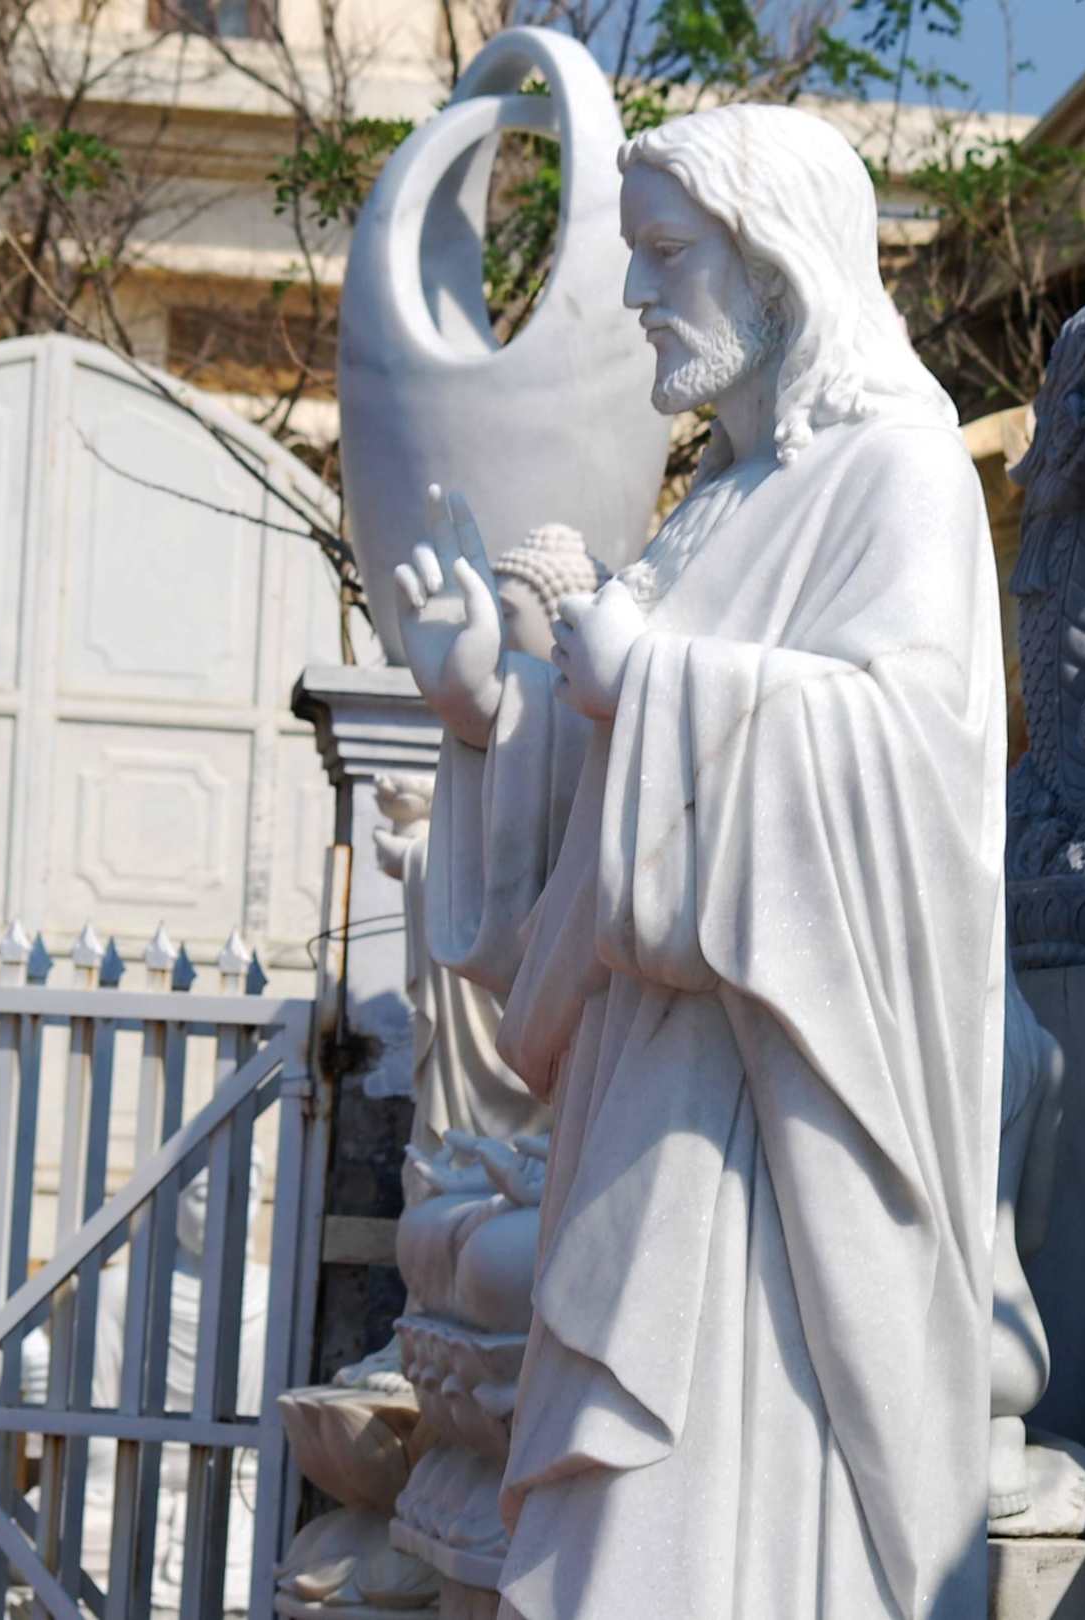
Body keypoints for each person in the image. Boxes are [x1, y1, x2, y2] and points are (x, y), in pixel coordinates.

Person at [386, 103, 1005, 1619]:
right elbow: (616, 799)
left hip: (770, 1113)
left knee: (698, 1530)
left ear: (776, 261)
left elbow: (914, 762)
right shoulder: (718, 504)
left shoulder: (897, 473)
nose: (638, 296)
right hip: (645, 1097)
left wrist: (653, 678)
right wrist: (493, 713)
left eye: (666, 255)